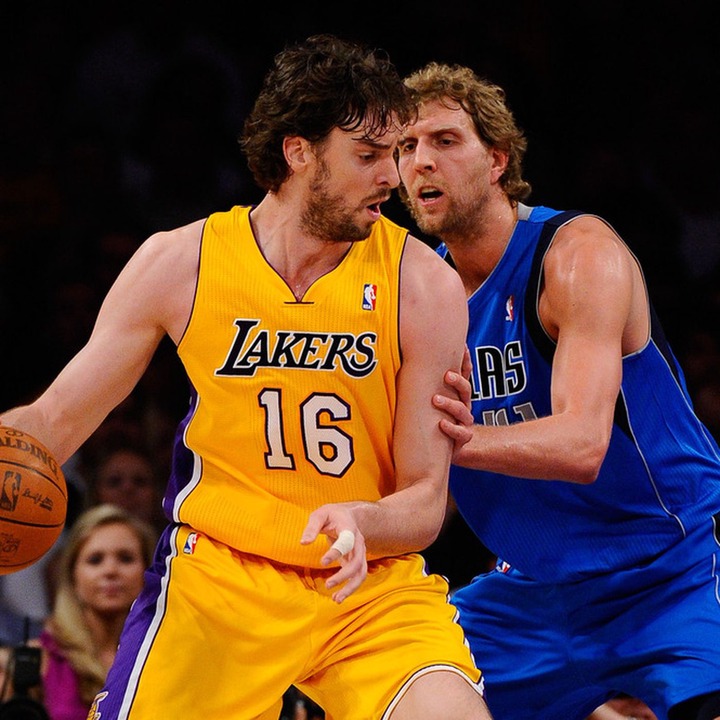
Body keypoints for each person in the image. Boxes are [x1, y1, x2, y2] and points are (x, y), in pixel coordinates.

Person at [0, 36, 492, 720]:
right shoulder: (182, 262)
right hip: (219, 576)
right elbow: (54, 420)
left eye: (397, 153)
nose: (394, 176)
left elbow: (426, 499)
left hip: (366, 582)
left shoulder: (423, 283)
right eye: (369, 155)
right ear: (298, 152)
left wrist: (364, 519)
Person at [396, 61, 720, 720]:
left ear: (497, 160)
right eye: (405, 147)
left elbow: (581, 445)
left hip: (672, 569)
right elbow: (429, 494)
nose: (420, 161)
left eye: (444, 141)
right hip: (530, 597)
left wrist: (444, 441)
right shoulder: (417, 294)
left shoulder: (576, 255)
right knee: (391, 692)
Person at [36, 504, 157, 720]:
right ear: (73, 575)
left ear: (148, 571)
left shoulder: (167, 655)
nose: (110, 570)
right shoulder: (39, 660)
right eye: (95, 560)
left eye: (126, 558)